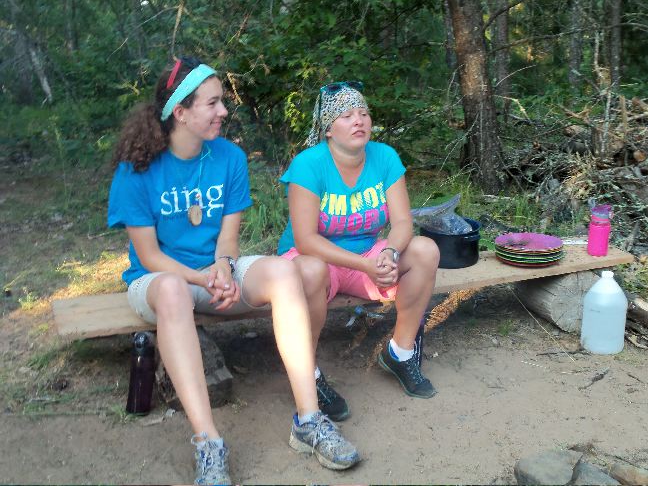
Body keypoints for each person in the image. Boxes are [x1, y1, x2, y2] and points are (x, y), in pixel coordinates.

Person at [107, 57, 359, 485]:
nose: (224, 111)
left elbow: (228, 240)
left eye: (221, 101)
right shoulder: (138, 169)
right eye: (213, 103)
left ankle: (309, 419)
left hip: (215, 275)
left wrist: (223, 267)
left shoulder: (229, 158)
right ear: (180, 112)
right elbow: (148, 256)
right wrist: (200, 277)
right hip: (159, 283)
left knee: (284, 273)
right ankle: (208, 443)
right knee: (171, 290)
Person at [278, 81, 440, 422]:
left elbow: (402, 222)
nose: (358, 120)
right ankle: (308, 375)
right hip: (315, 259)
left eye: (363, 113)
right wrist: (365, 266)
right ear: (328, 129)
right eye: (347, 115)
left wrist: (390, 253)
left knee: (425, 250)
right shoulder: (309, 165)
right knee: (309, 271)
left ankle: (400, 353)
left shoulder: (385, 157)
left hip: (367, 253)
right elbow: (305, 240)